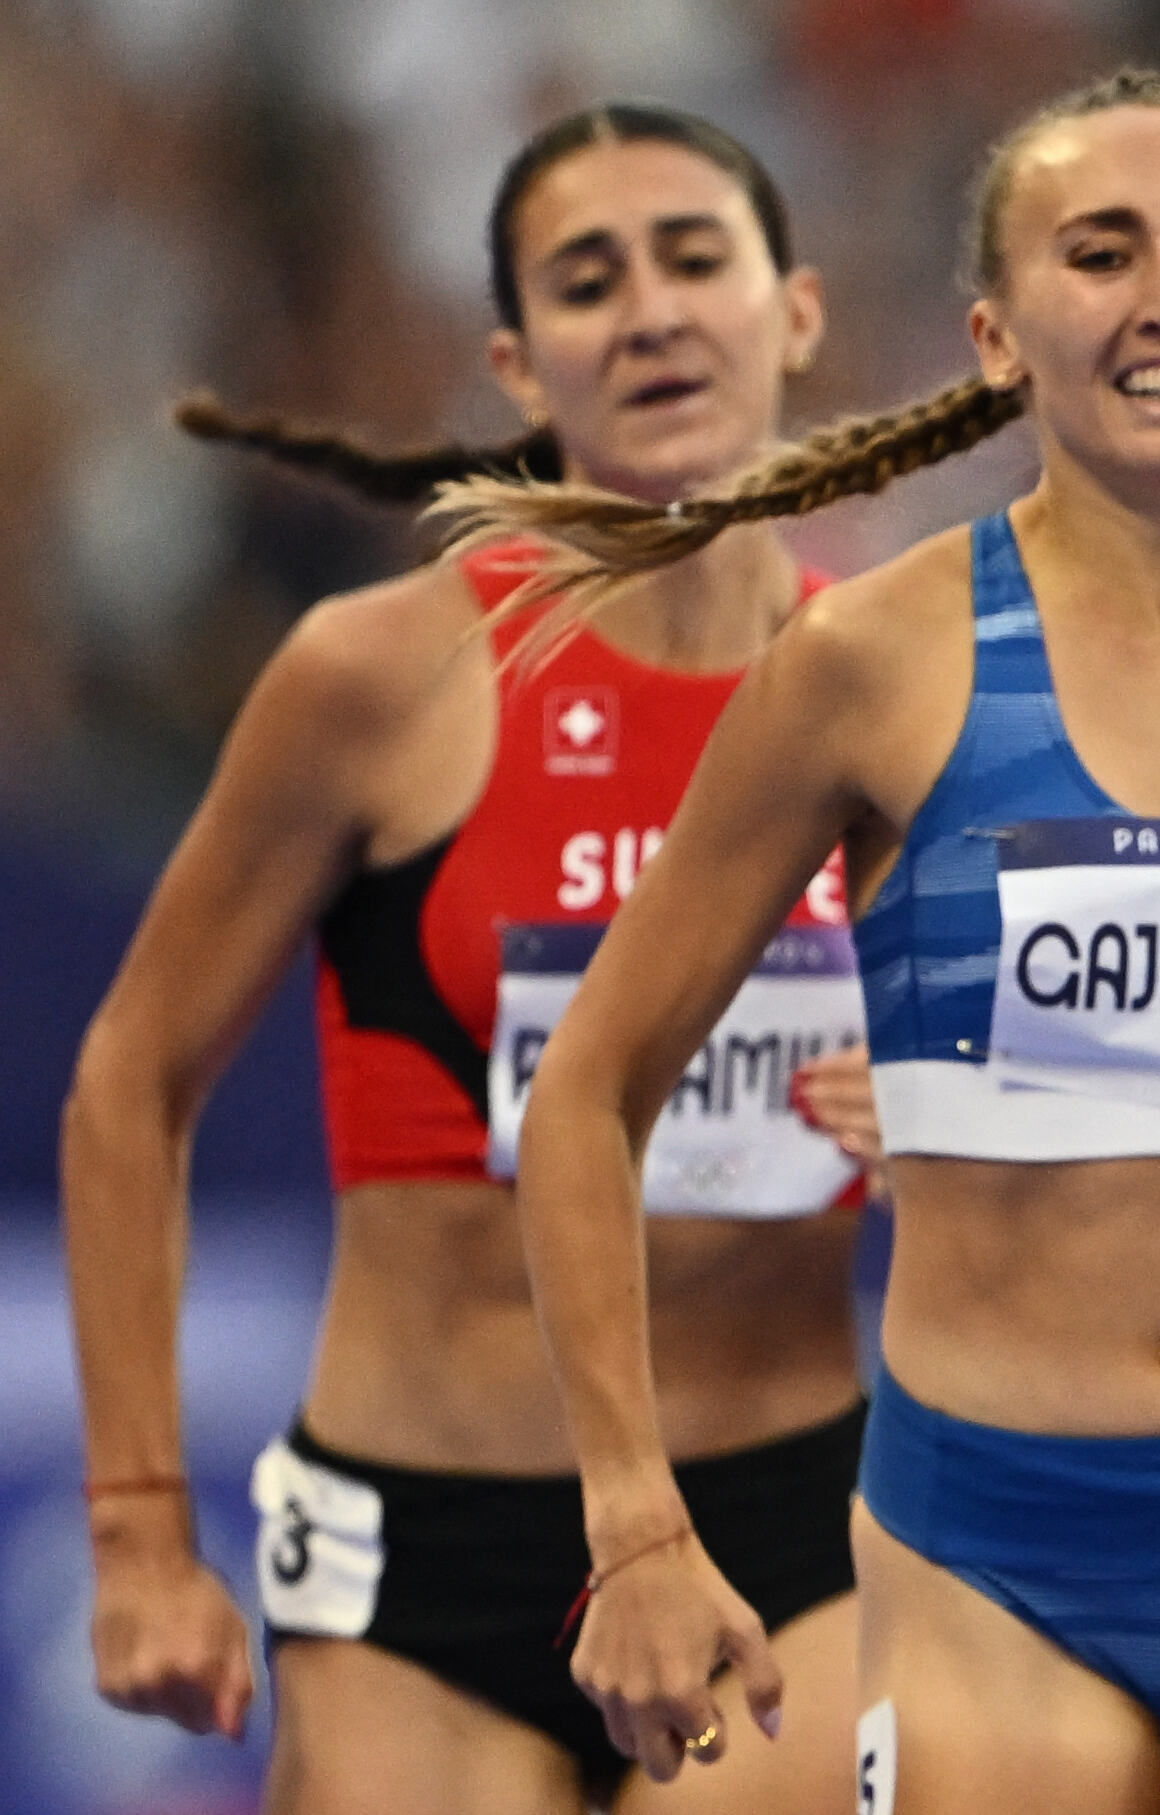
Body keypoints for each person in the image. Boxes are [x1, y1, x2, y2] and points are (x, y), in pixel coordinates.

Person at [466, 67, 1160, 1814]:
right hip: (985, 1552)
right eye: (1102, 252)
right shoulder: (869, 662)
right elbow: (589, 1090)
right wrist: (633, 1521)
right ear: (998, 337)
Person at [62, 104, 876, 1811]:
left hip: (785, 1524)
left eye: (695, 259)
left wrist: (949, 1104)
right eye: (588, 280)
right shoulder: (379, 678)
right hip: (423, 1557)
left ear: (796, 311)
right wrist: (139, 1529)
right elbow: (132, 1080)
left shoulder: (893, 686)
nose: (650, 312)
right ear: (517, 362)